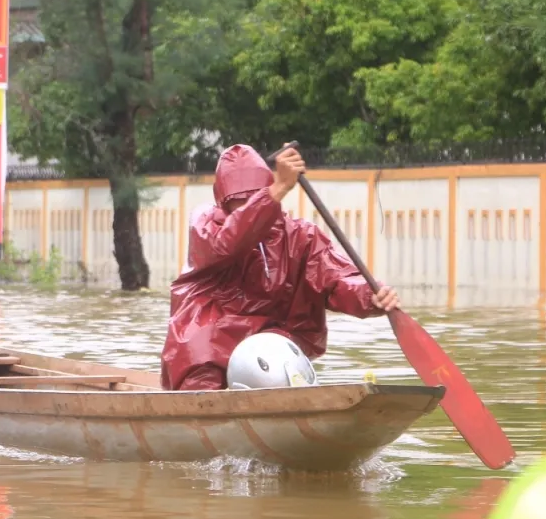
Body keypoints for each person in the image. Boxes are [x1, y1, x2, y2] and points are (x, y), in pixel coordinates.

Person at [160, 143, 400, 391]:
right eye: (238, 202)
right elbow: (227, 243)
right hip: (209, 345)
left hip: (274, 346)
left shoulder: (300, 236)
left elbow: (337, 281)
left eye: (254, 198)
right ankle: (201, 414)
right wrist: (279, 188)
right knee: (201, 361)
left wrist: (371, 295)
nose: (247, 207)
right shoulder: (206, 223)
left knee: (279, 359)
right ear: (223, 202)